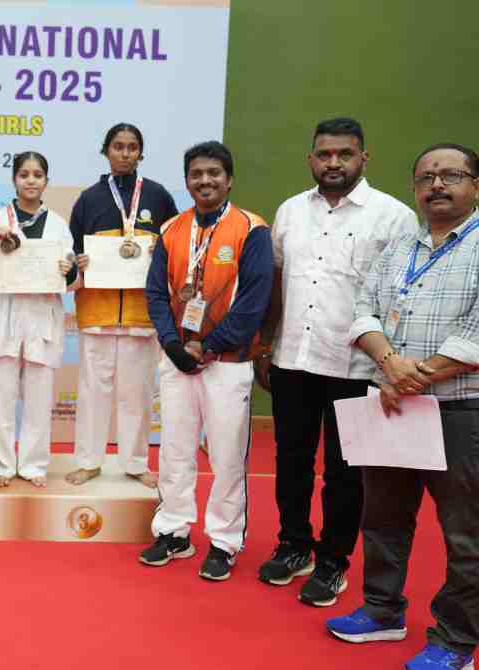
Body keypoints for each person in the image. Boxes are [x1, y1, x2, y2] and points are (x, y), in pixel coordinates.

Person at [327, 143, 479, 670]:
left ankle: (456, 642)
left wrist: (415, 376)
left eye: (451, 175)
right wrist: (390, 363)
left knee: (466, 534)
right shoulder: (399, 247)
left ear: (475, 186)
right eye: (426, 177)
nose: (437, 185)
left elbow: (476, 332)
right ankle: (382, 610)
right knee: (384, 517)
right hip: (392, 402)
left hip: (460, 409)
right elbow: (362, 310)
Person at [257, 118, 418, 606]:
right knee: (291, 460)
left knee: (345, 472)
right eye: (324, 154)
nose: (333, 163)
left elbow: (402, 296)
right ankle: (294, 545)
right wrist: (266, 344)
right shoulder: (290, 211)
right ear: (311, 158)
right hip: (292, 358)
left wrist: (391, 364)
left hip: (356, 366)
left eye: (344, 154)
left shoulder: (393, 217)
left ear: (363, 158)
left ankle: (333, 561)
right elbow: (277, 282)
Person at [139, 141, 273, 582]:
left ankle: (224, 540)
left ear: (229, 179)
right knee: (175, 448)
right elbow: (156, 293)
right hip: (178, 359)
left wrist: (210, 346)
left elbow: (254, 300)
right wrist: (172, 344)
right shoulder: (171, 230)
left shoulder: (251, 229)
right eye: (196, 174)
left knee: (227, 454)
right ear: (187, 181)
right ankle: (173, 530)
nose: (205, 181)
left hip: (228, 362)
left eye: (214, 173)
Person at [67, 122, 178, 489]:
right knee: (92, 393)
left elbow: (175, 247)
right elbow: (70, 253)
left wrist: (161, 255)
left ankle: (134, 463)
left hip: (141, 314)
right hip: (96, 311)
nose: (125, 153)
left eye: (132, 147)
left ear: (141, 153)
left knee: (137, 395)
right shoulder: (89, 199)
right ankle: (88, 462)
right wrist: (78, 262)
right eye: (118, 146)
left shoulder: (158, 197)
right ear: (106, 151)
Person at [0, 152, 77, 487]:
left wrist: (69, 271)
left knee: (39, 397)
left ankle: (33, 465)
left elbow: (71, 280)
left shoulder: (58, 225)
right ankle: (1, 465)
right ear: (14, 179)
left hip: (42, 313)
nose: (30, 180)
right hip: (6, 311)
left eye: (37, 175)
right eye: (24, 174)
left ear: (46, 181)